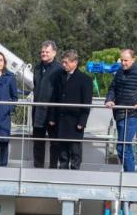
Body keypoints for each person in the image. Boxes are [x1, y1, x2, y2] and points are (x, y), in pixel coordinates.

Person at [48, 50, 93, 170]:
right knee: (62, 150)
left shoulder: (85, 80)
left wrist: (82, 122)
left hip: (75, 121)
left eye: (66, 62)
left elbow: (86, 103)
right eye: (63, 62)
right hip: (61, 119)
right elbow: (54, 98)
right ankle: (62, 169)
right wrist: (52, 117)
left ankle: (75, 170)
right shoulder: (59, 77)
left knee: (75, 149)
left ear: (75, 63)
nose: (63, 65)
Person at [32, 40, 62, 168]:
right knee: (38, 142)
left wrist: (54, 113)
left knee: (54, 143)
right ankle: (38, 167)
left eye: (47, 52)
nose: (44, 54)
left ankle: (53, 168)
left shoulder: (59, 69)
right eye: (42, 52)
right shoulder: (37, 68)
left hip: (52, 112)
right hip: (38, 112)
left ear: (54, 53)